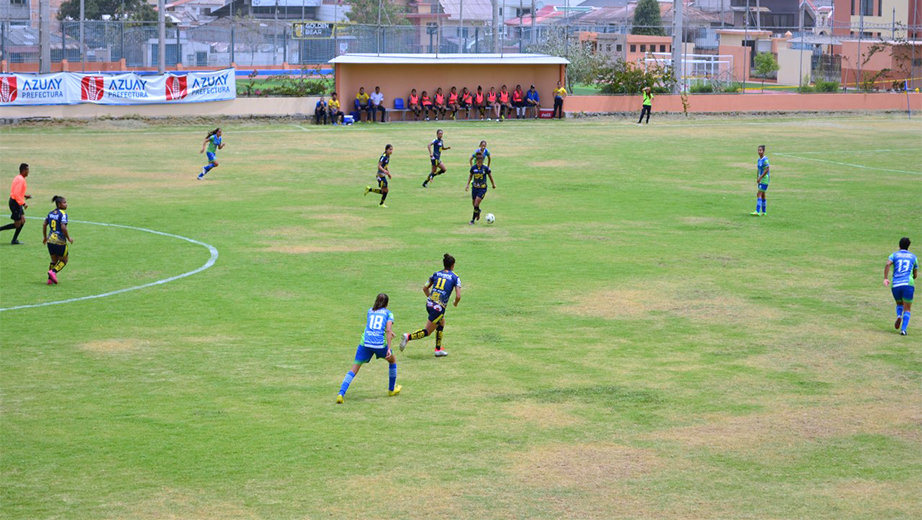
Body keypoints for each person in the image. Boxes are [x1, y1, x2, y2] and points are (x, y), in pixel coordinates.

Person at [336, 293, 401, 404]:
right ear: (387, 303)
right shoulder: (389, 314)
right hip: (379, 344)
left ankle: (341, 394)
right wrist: (389, 348)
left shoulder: (370, 311)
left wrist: (389, 333)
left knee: (354, 369)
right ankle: (391, 390)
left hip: (365, 343)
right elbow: (388, 329)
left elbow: (374, 326)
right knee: (392, 360)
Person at [399, 253, 461, 357]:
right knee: (427, 331)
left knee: (441, 322)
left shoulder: (436, 274)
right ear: (453, 265)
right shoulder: (455, 277)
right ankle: (408, 337)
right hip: (438, 308)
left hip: (429, 304)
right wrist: (455, 302)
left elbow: (425, 288)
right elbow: (458, 296)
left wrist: (431, 299)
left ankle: (438, 349)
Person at [885, 237, 918, 336]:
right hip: (908, 283)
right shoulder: (913, 257)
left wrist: (885, 278)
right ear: (908, 246)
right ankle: (903, 330)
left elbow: (887, 264)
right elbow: (915, 275)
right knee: (907, 309)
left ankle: (899, 315)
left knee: (899, 304)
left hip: (896, 284)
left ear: (899, 246)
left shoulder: (894, 255)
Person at [43, 195, 73, 285]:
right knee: (64, 260)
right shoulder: (63, 214)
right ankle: (53, 272)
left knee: (54, 260)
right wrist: (68, 238)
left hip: (50, 240)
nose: (66, 204)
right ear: (59, 204)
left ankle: (49, 280)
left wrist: (45, 237)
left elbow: (44, 224)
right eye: (64, 203)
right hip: (60, 241)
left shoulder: (50, 213)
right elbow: (63, 227)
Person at [1, 163, 31, 244]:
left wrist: (24, 195)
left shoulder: (18, 178)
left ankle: (14, 240)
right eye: (28, 170)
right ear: (24, 171)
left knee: (22, 221)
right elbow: (16, 194)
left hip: (17, 202)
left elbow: (16, 192)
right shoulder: (21, 180)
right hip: (15, 203)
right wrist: (24, 203)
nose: (29, 172)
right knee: (17, 224)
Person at [465, 152, 496, 225]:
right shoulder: (473, 168)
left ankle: (472, 220)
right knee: (474, 204)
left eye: (481, 162)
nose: (480, 164)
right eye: (478, 162)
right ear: (476, 161)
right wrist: (467, 185)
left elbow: (490, 176)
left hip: (482, 189)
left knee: (476, 203)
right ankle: (478, 211)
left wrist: (493, 184)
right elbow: (470, 176)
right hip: (474, 188)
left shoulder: (485, 168)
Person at [751, 145, 769, 216]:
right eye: (758, 150)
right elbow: (758, 169)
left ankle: (757, 211)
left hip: (764, 179)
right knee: (763, 195)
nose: (759, 151)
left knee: (759, 194)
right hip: (760, 179)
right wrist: (757, 177)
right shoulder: (759, 160)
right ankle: (764, 212)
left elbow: (767, 169)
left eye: (761, 150)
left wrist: (760, 177)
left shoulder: (765, 160)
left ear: (763, 151)